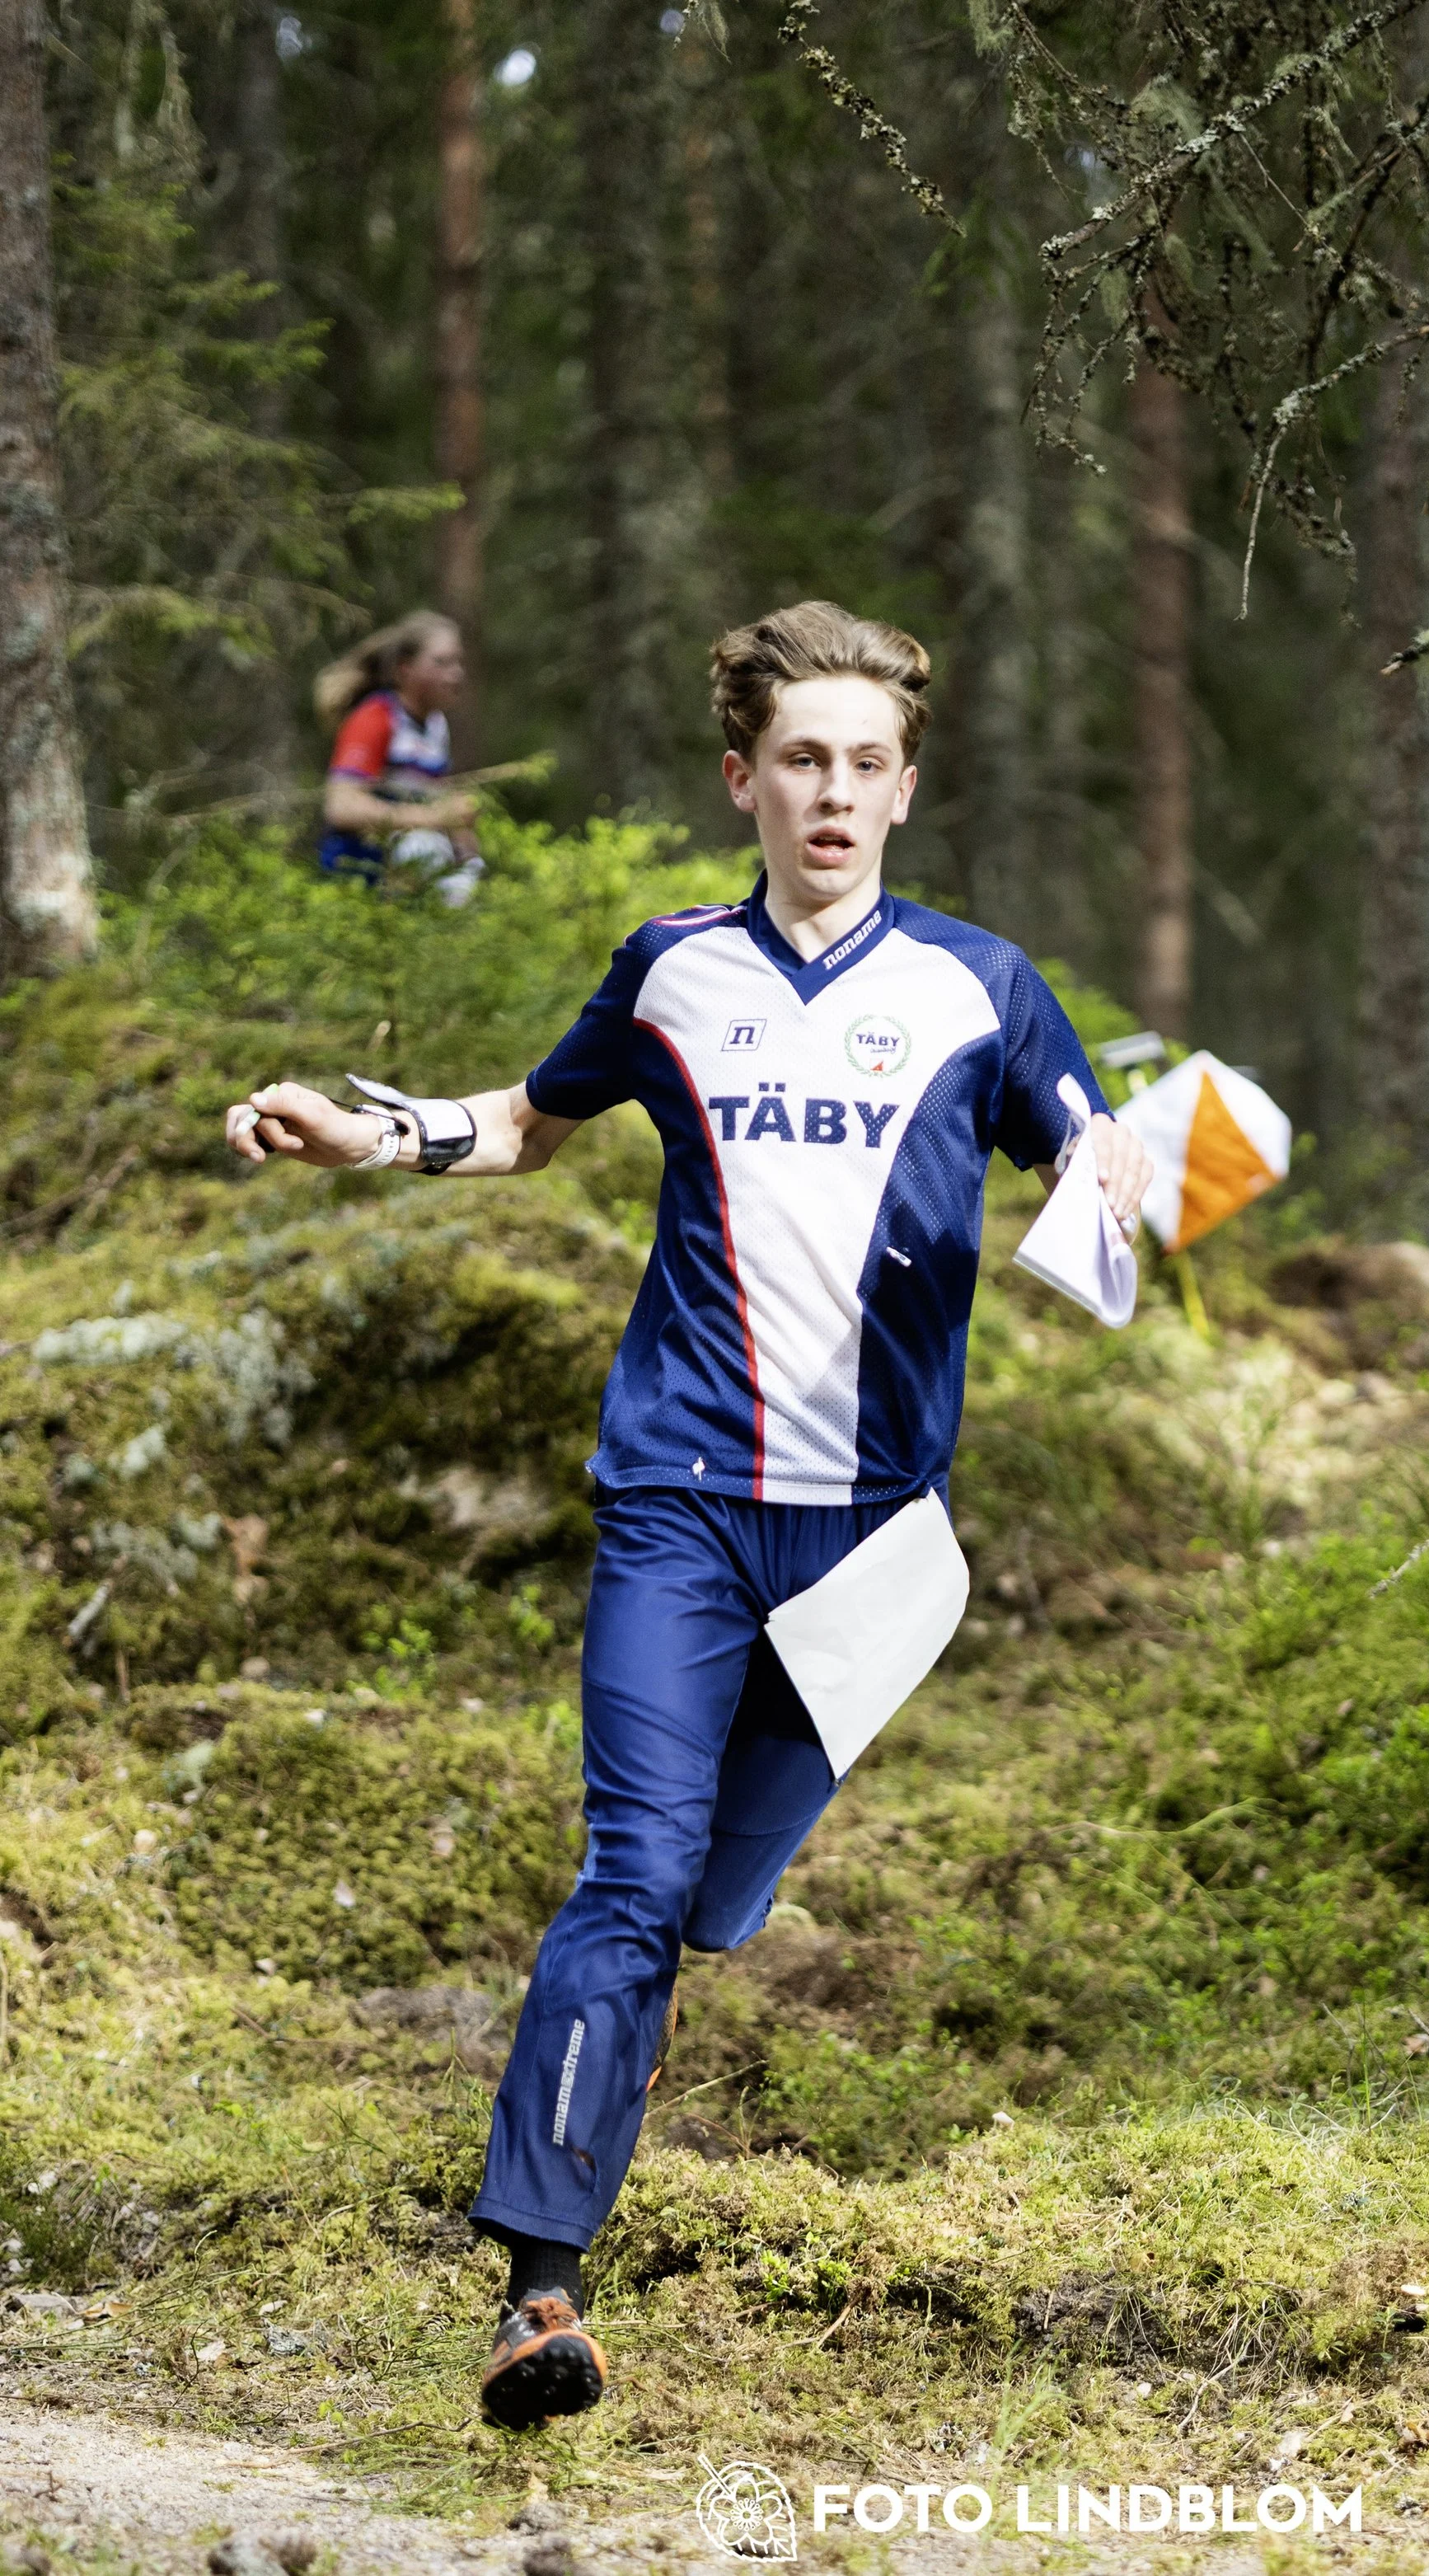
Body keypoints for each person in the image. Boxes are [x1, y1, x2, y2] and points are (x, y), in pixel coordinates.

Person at [223, 599, 1151, 2433]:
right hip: (681, 1505)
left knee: (710, 1900)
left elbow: (1094, 1155)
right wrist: (367, 1136)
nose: (833, 791)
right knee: (633, 1879)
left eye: (865, 762)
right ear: (744, 778)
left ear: (904, 789)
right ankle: (539, 2287)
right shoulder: (672, 972)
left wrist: (1118, 1163)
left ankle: (620, 2050)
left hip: (875, 1545)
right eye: (801, 759)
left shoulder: (981, 985)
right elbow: (527, 1120)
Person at [314, 609, 485, 905]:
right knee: (423, 848)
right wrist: (431, 818)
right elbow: (341, 806)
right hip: (356, 877)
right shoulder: (376, 717)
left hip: (406, 872)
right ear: (405, 669)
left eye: (459, 662)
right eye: (442, 662)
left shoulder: (436, 725)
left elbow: (429, 797)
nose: (456, 674)